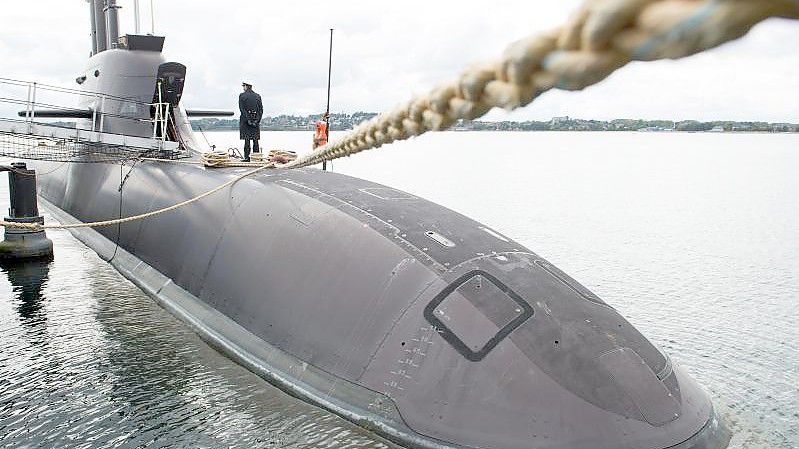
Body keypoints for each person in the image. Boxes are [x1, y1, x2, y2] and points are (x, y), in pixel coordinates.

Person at [239, 82, 263, 162]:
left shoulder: (242, 95)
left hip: (246, 121)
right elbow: (261, 110)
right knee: (255, 140)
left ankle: (247, 158)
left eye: (243, 86)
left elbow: (242, 109)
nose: (243, 88)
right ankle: (256, 158)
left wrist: (248, 120)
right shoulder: (258, 96)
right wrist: (257, 120)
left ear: (246, 86)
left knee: (247, 140)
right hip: (255, 119)